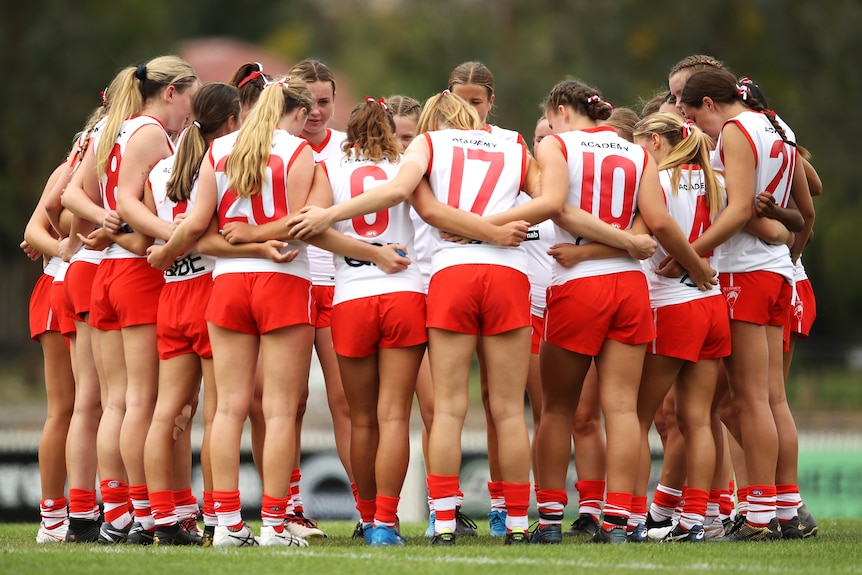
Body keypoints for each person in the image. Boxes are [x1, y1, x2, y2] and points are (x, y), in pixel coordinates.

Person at [285, 90, 558, 545]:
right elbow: (550, 200)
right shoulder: (508, 141)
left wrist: (340, 224)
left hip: (382, 288)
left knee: (394, 414)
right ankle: (509, 521)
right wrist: (493, 228)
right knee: (499, 411)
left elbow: (400, 205)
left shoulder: (375, 155)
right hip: (461, 283)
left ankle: (405, 522)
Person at [530, 78, 711, 545]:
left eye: (549, 118)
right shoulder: (636, 152)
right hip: (630, 287)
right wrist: (693, 264)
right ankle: (617, 520)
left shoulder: (558, 146)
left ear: (561, 110)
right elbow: (658, 223)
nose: (548, 127)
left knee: (556, 409)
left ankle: (549, 519)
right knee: (624, 410)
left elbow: (556, 210)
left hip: (578, 286)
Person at [61, 55, 200, 545]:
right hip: (137, 276)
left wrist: (109, 228)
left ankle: (117, 511)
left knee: (116, 402)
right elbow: (126, 201)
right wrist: (165, 235)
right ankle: (144, 513)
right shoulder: (150, 132)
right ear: (171, 91)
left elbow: (79, 197)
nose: (190, 109)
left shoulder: (111, 129)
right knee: (142, 401)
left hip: (106, 276)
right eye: (189, 97)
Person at [678, 67, 813, 541]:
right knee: (772, 397)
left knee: (748, 399)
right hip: (776, 269)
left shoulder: (736, 130)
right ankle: (785, 506)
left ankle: (758, 517)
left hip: (744, 271)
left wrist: (688, 254)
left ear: (711, 105)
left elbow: (738, 210)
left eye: (694, 114)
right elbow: (792, 204)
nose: (696, 127)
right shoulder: (777, 124)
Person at [313, 97, 427, 546]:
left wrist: (362, 251)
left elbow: (315, 227)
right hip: (404, 292)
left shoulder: (331, 169)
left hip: (351, 298)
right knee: (395, 415)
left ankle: (365, 514)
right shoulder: (410, 163)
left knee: (362, 420)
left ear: (351, 134)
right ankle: (386, 521)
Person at [142, 82, 241, 546]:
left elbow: (141, 235)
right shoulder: (220, 162)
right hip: (208, 291)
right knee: (219, 413)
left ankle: (162, 517)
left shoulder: (160, 169)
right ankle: (221, 517)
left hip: (171, 294)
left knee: (166, 414)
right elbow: (211, 230)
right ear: (232, 120)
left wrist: (163, 251)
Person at [631, 112, 731, 542]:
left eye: (639, 146)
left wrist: (687, 262)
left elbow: (655, 229)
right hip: (711, 305)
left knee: (632, 417)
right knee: (698, 420)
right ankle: (695, 521)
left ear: (655, 141)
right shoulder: (715, 180)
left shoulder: (656, 180)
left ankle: (628, 516)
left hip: (672, 305)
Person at [22, 164, 77, 544]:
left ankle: (92, 510)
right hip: (62, 285)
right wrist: (63, 247)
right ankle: (54, 518)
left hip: (87, 286)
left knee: (104, 407)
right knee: (66, 409)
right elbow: (33, 230)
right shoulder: (78, 158)